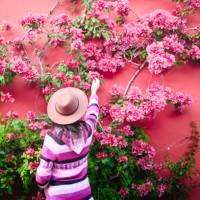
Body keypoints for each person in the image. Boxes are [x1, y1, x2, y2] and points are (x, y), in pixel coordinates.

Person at [36, 79, 100, 200]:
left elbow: (43, 173)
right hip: (83, 192)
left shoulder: (52, 139)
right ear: (77, 110)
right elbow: (93, 114)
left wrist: (43, 185)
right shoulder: (88, 130)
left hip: (58, 195)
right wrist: (93, 92)